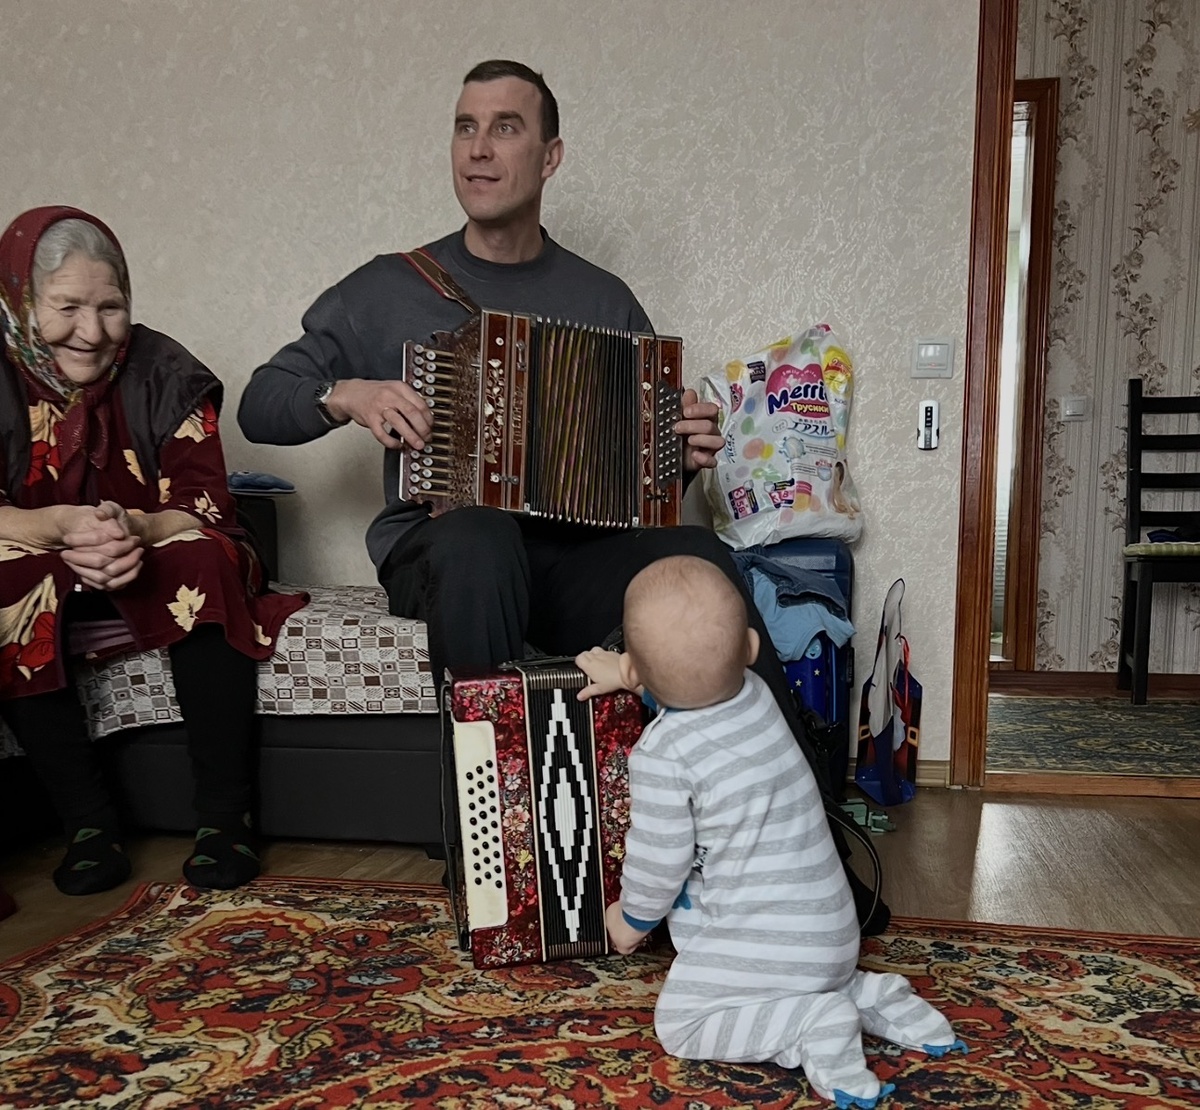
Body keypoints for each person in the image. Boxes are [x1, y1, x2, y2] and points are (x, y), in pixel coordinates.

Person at [238, 59, 888, 932]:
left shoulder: (602, 298)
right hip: (447, 551)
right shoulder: (384, 288)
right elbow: (259, 403)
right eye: (465, 127)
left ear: (549, 157)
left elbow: (646, 473)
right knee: (478, 534)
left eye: (505, 127)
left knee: (697, 558)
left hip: (570, 555)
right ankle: (488, 857)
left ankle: (809, 850)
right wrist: (344, 393)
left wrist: (685, 451)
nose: (478, 149)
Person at [575, 556, 963, 1109]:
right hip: (832, 935)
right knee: (812, 976)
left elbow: (659, 859)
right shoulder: (756, 692)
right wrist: (635, 678)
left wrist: (630, 919)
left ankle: (811, 1021)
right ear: (752, 650)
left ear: (636, 672)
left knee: (681, 1023)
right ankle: (870, 994)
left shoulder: (661, 755)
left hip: (763, 948)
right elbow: (700, 689)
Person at [0, 206, 308, 896]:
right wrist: (62, 529)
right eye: (67, 307)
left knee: (208, 558)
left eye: (110, 306)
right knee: (10, 583)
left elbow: (204, 506)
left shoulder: (165, 370)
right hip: (44, 552)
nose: (92, 330)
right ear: (20, 303)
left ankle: (224, 820)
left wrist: (131, 530)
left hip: (149, 541)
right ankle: (87, 825)